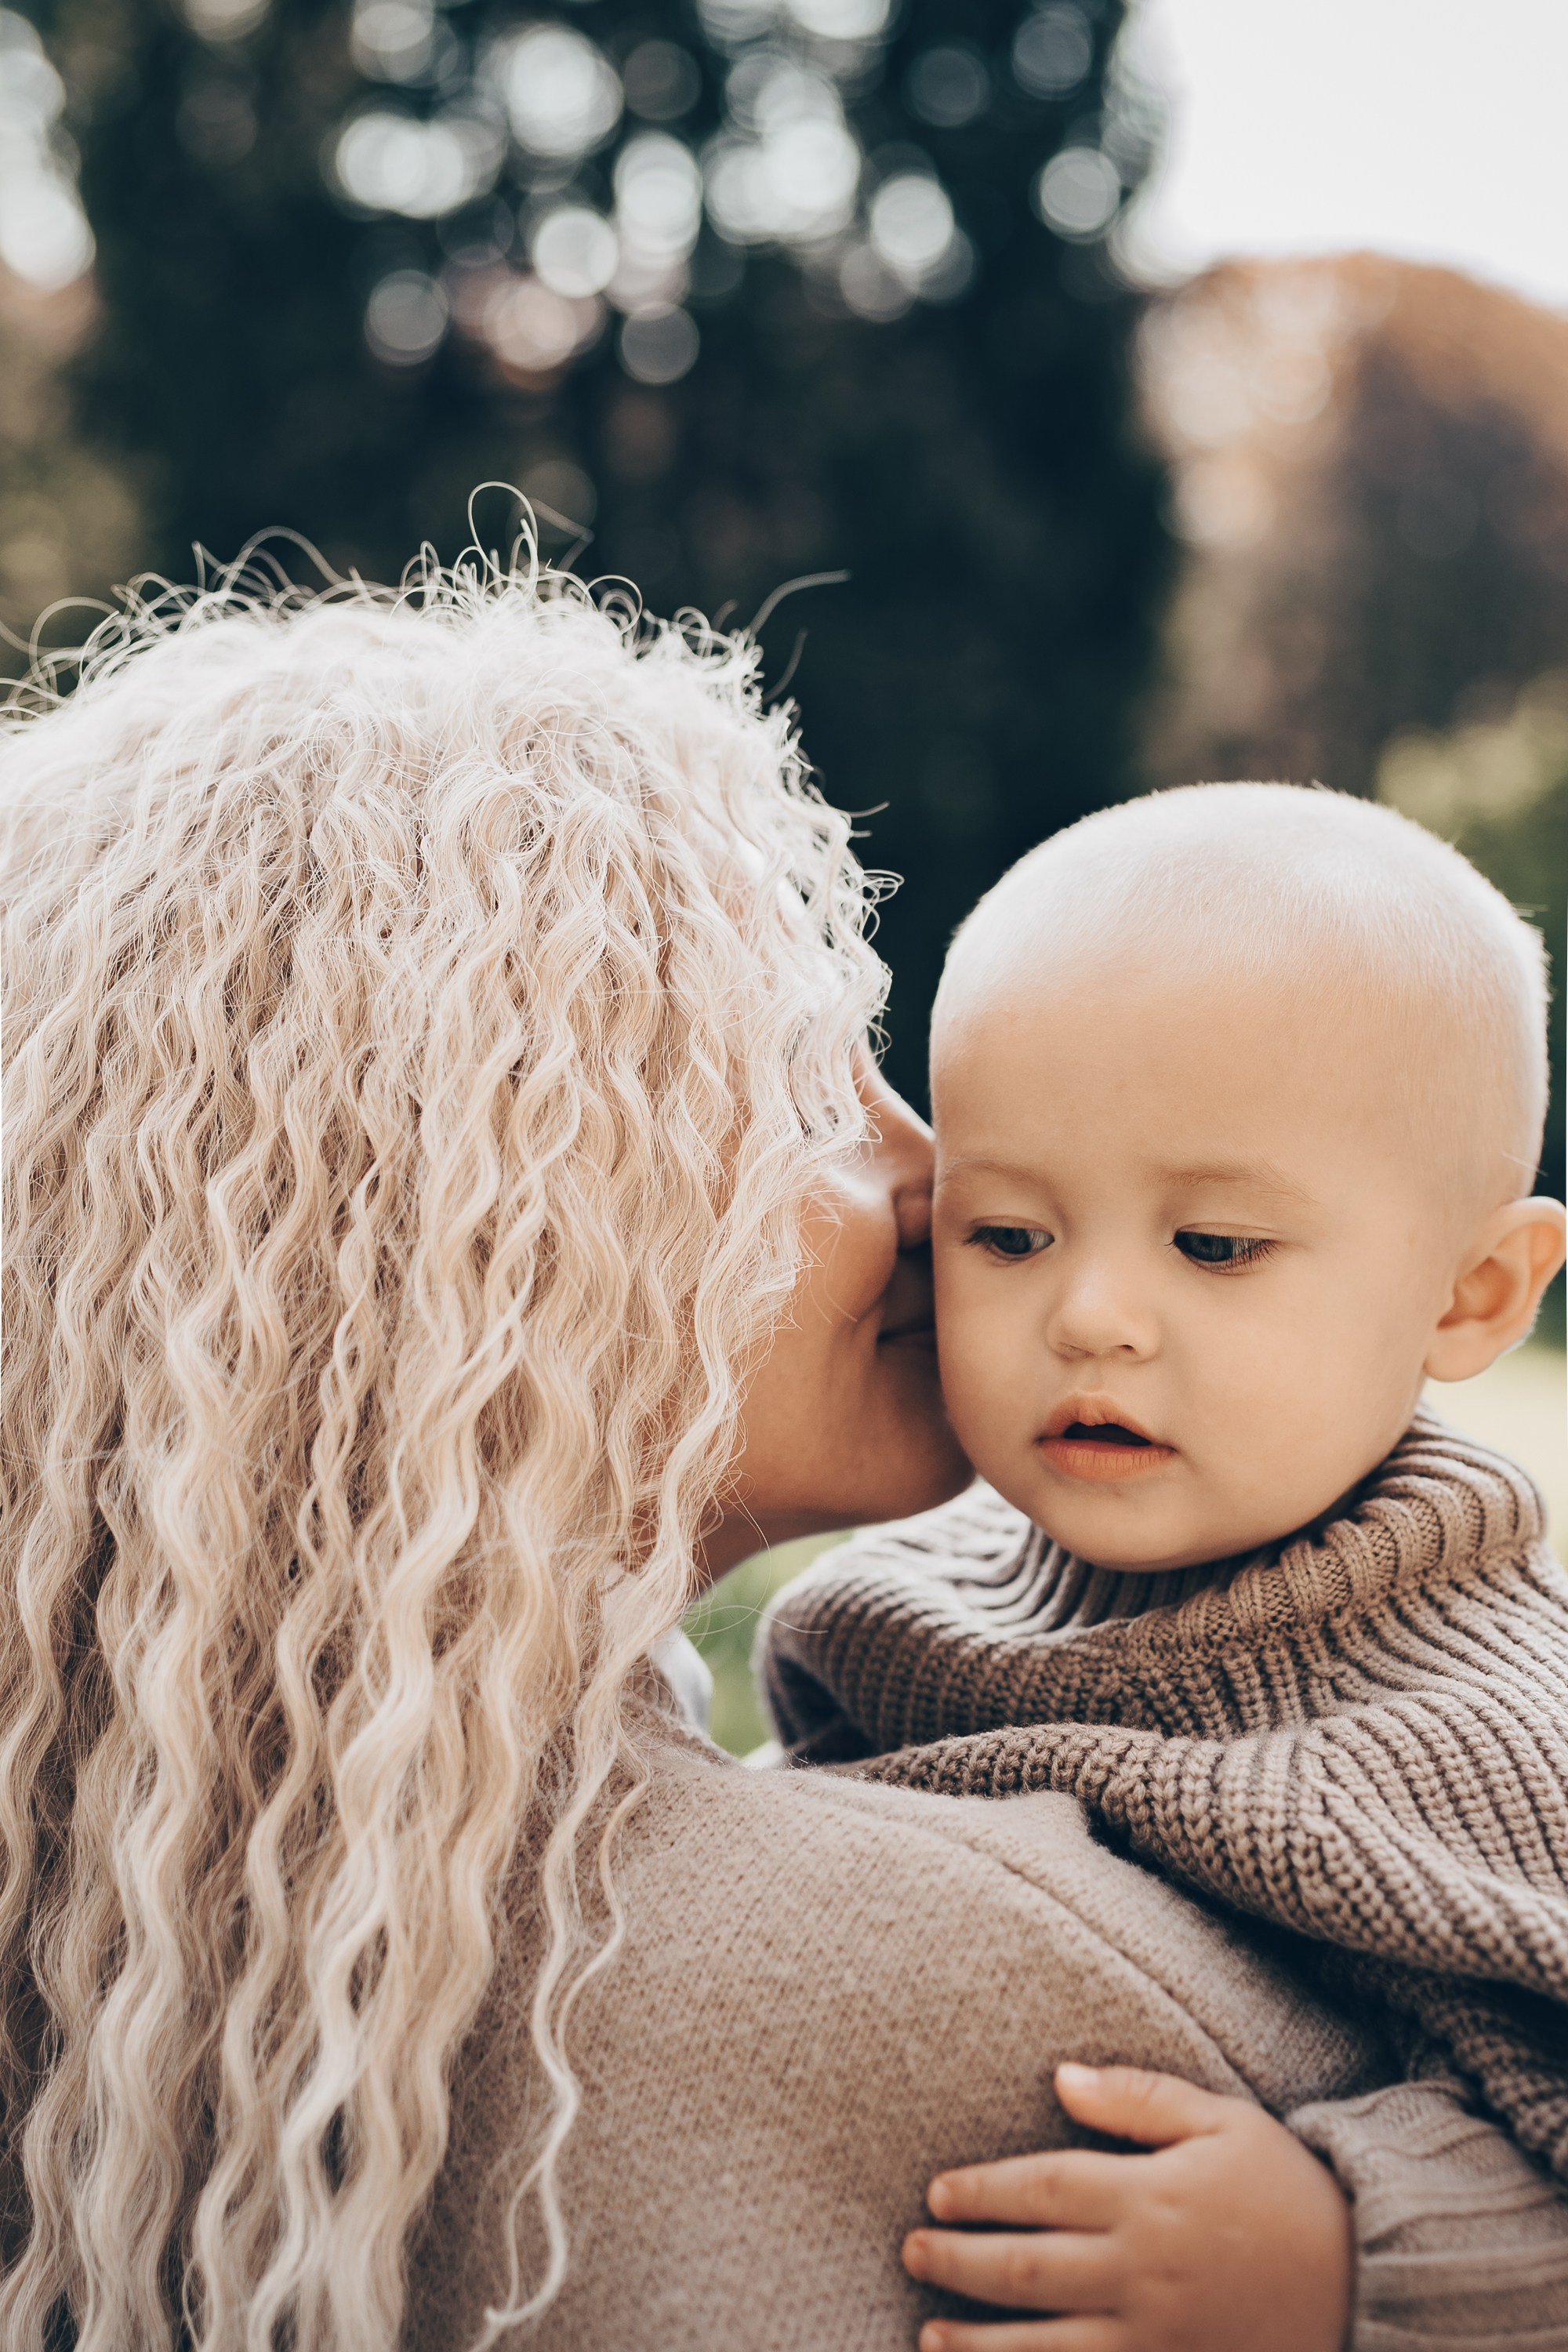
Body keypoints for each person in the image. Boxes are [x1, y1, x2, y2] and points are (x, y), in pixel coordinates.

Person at [3, 573, 1563, 2352]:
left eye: (1212, 1243)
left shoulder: (138, 1901)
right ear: (489, 1229)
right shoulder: (946, 1971)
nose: (935, 1185)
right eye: (817, 1095)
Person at [761, 783, 1568, 2344]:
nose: (1091, 1317)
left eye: (1211, 1247)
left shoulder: (1502, 1727)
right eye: (1007, 1236)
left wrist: (1356, 2253)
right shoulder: (877, 1617)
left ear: (1468, 1297)